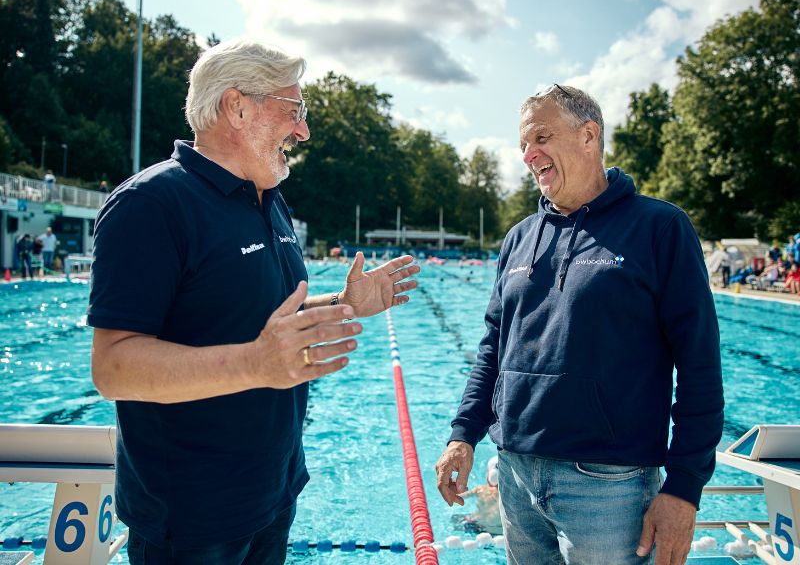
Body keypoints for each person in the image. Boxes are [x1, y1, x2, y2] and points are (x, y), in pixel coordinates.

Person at [87, 38, 420, 564]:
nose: (303, 130)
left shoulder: (269, 201)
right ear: (237, 107)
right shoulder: (151, 204)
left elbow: (259, 323)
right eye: (295, 110)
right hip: (192, 518)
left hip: (273, 494)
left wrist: (344, 303)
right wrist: (254, 364)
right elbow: (113, 366)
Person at [435, 84, 723, 565]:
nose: (529, 154)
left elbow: (699, 368)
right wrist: (463, 434)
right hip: (514, 472)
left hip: (609, 486)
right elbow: (493, 349)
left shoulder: (660, 228)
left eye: (541, 138)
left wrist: (684, 488)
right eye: (524, 144)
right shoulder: (520, 238)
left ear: (589, 135)